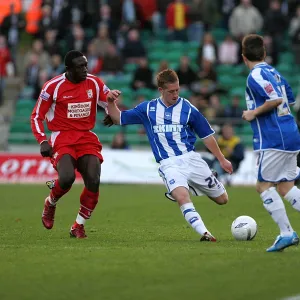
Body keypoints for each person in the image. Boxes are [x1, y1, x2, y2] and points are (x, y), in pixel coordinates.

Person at [103, 69, 233, 241]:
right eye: (171, 91)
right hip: (169, 164)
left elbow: (207, 135)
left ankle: (193, 186)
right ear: (161, 90)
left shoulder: (188, 108)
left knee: (223, 199)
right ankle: (205, 233)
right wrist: (111, 102)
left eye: (177, 90)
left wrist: (221, 159)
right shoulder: (148, 109)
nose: (175, 94)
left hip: (191, 159)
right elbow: (118, 118)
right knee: (181, 197)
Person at [30, 50, 119, 239]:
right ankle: (50, 202)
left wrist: (111, 111)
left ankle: (78, 225)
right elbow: (37, 116)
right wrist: (43, 140)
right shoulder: (52, 87)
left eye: (86, 65)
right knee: (67, 178)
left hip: (86, 137)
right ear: (68, 69)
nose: (85, 69)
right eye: (80, 66)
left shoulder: (94, 83)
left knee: (94, 181)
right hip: (62, 137)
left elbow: (108, 102)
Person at [241, 34, 300, 252]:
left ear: (243, 56)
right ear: (264, 53)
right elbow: (289, 100)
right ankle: (287, 233)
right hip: (290, 133)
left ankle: (287, 233)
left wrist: (253, 113)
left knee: (263, 186)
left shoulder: (255, 75)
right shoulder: (274, 72)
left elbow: (275, 99)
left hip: (274, 138)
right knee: (286, 187)